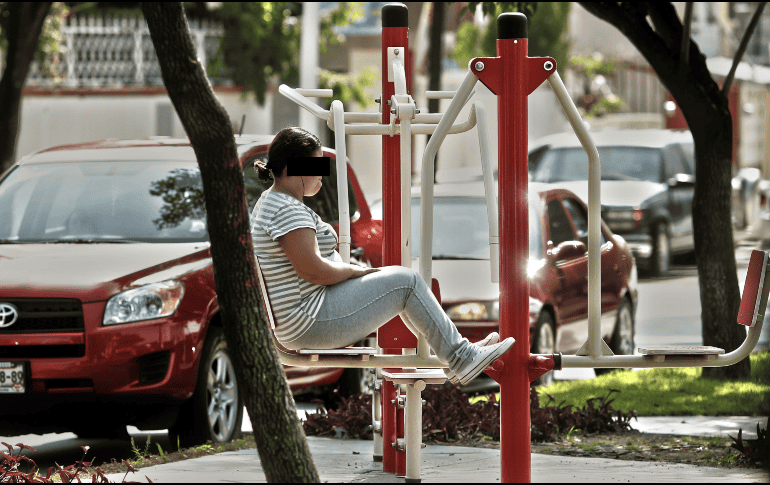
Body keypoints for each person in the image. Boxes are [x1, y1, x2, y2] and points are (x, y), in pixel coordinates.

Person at [250, 127, 514, 385]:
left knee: (403, 282)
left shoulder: (273, 202)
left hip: (305, 316)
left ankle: (457, 355)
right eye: (317, 165)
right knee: (407, 282)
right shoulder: (286, 209)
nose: (322, 174)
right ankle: (460, 357)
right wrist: (355, 271)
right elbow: (313, 271)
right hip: (309, 320)